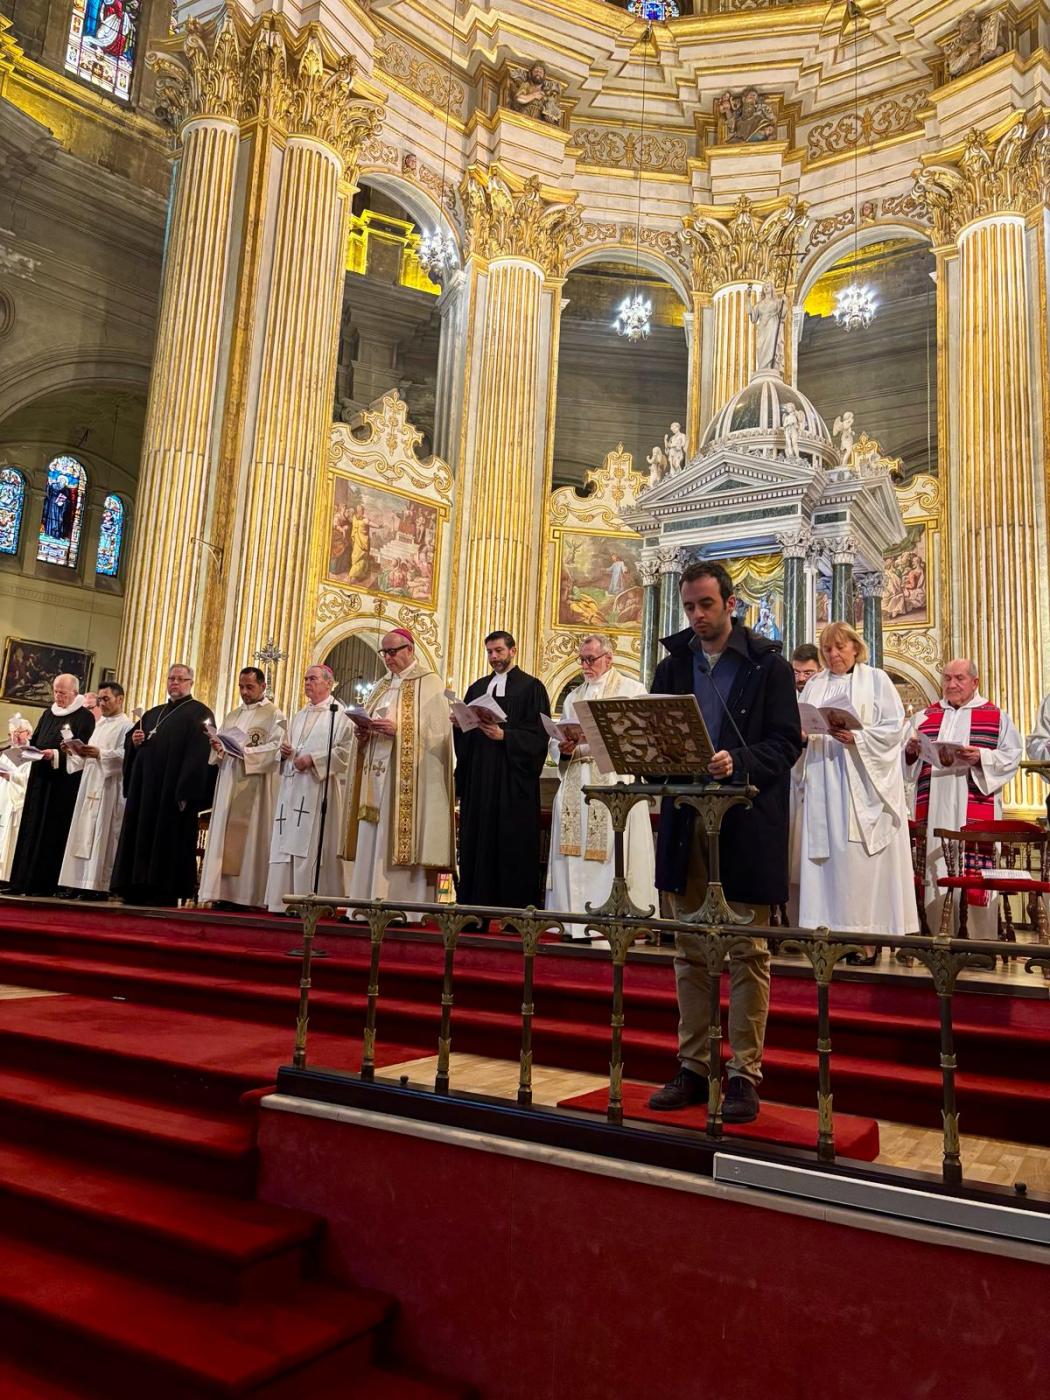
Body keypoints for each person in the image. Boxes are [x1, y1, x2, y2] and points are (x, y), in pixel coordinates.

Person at [647, 562, 802, 1123]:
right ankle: (693, 1067)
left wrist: (739, 760)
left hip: (745, 822)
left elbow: (786, 744)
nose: (697, 616)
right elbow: (653, 735)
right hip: (686, 821)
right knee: (688, 950)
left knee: (745, 953)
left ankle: (744, 1075)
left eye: (706, 605)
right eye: (689, 607)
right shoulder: (672, 667)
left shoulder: (769, 667)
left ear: (731, 603)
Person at [797, 622, 916, 957]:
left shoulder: (876, 680)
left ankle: (866, 940)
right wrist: (805, 732)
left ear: (855, 647)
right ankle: (829, 939)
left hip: (861, 786)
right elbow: (803, 721)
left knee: (858, 863)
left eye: (839, 647)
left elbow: (894, 731)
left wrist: (858, 738)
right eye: (827, 649)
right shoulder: (815, 684)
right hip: (824, 781)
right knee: (829, 863)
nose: (834, 654)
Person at [546, 634, 656, 941]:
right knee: (574, 853)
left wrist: (593, 744)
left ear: (609, 657)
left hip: (613, 782)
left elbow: (639, 741)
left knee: (612, 851)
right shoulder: (573, 696)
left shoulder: (631, 690)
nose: (584, 665)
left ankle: (615, 920)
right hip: (576, 782)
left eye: (590, 659)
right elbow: (557, 745)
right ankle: (573, 921)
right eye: (581, 660)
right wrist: (565, 748)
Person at [904, 659, 1022, 939]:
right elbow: (904, 766)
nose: (952, 685)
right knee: (935, 872)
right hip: (932, 806)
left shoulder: (996, 716)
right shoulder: (924, 717)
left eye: (959, 678)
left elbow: (1012, 756)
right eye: (947, 679)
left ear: (975, 682)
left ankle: (980, 940)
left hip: (973, 802)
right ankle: (935, 935)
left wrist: (981, 756)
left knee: (974, 871)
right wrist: (909, 752)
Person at [344, 629, 454, 905]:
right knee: (373, 835)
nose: (387, 658)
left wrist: (400, 731)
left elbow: (439, 734)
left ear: (410, 649)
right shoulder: (381, 686)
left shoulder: (429, 683)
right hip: (376, 776)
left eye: (393, 651)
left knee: (399, 836)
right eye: (384, 653)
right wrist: (363, 733)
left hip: (407, 780)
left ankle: (404, 904)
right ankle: (366, 900)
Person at [454, 630, 550, 914]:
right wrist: (460, 724)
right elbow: (467, 741)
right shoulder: (477, 688)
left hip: (513, 783)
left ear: (513, 651)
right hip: (481, 781)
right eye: (490, 652)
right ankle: (475, 910)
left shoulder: (532, 688)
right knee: (478, 841)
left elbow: (539, 737)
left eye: (499, 651)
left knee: (512, 843)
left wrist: (505, 736)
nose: (494, 657)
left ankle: (513, 912)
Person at [111, 664, 215, 906]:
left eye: (180, 679)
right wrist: (134, 743)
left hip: (172, 795)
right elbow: (132, 745)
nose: (174, 683)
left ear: (191, 682)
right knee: (140, 836)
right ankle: (134, 886)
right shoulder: (151, 713)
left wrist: (186, 792)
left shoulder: (199, 713)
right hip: (145, 792)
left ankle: (163, 890)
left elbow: (199, 754)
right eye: (171, 678)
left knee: (166, 841)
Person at [265, 664, 353, 913]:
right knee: (285, 842)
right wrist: (284, 754)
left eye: (313, 678)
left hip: (317, 788)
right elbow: (291, 746)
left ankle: (311, 900)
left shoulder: (340, 714)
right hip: (291, 786)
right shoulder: (299, 714)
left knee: (310, 843)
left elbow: (345, 752)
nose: (307, 683)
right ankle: (282, 902)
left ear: (328, 682)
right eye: (305, 679)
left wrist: (314, 760)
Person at [199, 667, 286, 910]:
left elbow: (276, 749)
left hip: (253, 783)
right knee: (223, 836)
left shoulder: (275, 715)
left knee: (250, 839)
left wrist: (245, 752)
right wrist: (218, 746)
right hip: (229, 779)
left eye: (250, 687)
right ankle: (221, 892)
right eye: (241, 687)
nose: (245, 692)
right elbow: (219, 752)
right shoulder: (233, 714)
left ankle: (247, 896)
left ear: (263, 686)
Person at [7, 674, 96, 895]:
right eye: (56, 691)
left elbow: (82, 753)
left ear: (75, 693)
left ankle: (44, 884)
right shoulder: (49, 713)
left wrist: (55, 754)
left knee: (52, 831)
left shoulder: (85, 718)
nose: (58, 696)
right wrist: (25, 745)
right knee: (31, 827)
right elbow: (37, 741)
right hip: (40, 779)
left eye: (62, 693)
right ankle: (22, 881)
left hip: (63, 785)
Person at [58, 681, 133, 897]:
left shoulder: (126, 726)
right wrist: (73, 750)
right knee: (82, 832)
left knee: (103, 834)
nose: (102, 703)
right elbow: (83, 760)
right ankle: (77, 882)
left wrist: (100, 753)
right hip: (90, 782)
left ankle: (98, 885)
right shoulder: (99, 724)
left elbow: (125, 757)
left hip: (108, 787)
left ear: (120, 699)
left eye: (106, 699)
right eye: (100, 699)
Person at [786, 644, 823, 923]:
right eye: (796, 672)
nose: (800, 679)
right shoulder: (783, 695)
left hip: (818, 775)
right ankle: (792, 918)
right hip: (790, 778)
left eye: (807, 672)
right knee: (790, 851)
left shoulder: (825, 695)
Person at [0, 714, 33, 882]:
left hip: (20, 805)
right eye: (13, 732)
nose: (16, 735)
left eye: (20, 731)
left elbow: (30, 779)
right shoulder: (6, 754)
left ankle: (10, 878)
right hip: (5, 803)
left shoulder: (32, 754)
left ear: (28, 733)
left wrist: (10, 777)